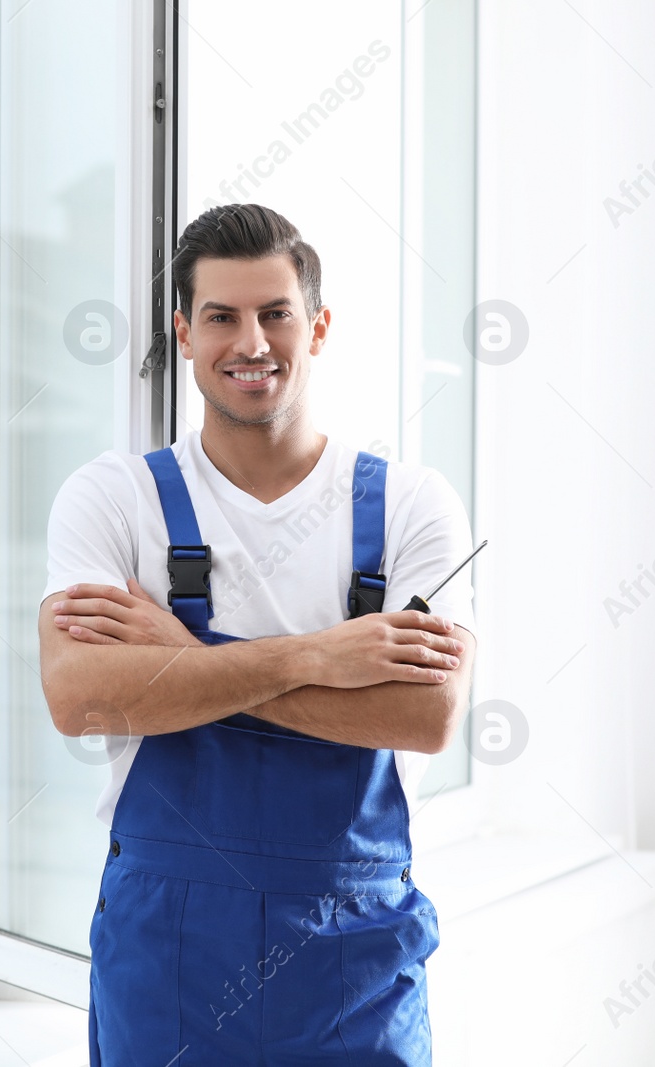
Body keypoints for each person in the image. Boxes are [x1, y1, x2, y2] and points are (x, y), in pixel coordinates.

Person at [38, 203, 478, 1064]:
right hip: (168, 949)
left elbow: (423, 718)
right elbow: (78, 697)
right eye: (221, 316)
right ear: (184, 331)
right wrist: (322, 656)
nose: (252, 342)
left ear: (316, 326)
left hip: (355, 952)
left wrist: (182, 662)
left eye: (275, 313)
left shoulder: (410, 506)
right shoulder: (112, 499)